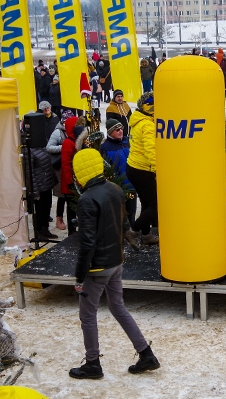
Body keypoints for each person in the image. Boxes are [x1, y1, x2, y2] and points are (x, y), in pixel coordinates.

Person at [68, 148, 159, 378]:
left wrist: (79, 276)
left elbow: (87, 243)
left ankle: (92, 364)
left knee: (87, 315)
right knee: (118, 307)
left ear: (80, 172)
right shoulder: (115, 189)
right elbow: (125, 223)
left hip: (97, 268)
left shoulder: (87, 200)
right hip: (116, 262)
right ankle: (145, 353)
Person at [126, 92, 159, 246]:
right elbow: (151, 150)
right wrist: (158, 169)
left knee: (146, 203)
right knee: (155, 205)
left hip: (133, 167)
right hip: (143, 169)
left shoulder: (138, 120)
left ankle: (146, 236)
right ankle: (133, 231)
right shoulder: (147, 125)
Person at [100, 118, 140, 243]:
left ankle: (132, 235)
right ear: (110, 132)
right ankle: (119, 238)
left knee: (132, 211)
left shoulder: (127, 142)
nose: (120, 131)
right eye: (117, 130)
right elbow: (106, 169)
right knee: (119, 214)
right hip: (117, 186)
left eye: (121, 129)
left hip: (131, 184)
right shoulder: (105, 147)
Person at [28, 142, 58, 241]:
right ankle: (39, 231)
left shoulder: (43, 148)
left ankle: (45, 229)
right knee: (40, 210)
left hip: (47, 184)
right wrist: (35, 191)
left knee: (47, 208)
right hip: (39, 187)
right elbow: (30, 173)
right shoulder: (30, 151)